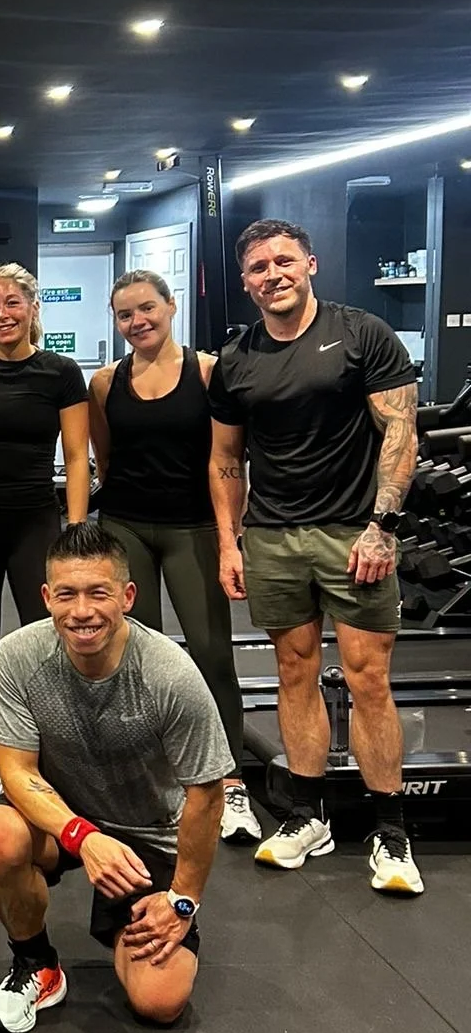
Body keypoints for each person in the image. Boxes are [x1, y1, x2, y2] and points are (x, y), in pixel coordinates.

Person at [209, 219, 422, 895]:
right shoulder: (237, 358)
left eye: (284, 261)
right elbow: (225, 459)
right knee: (293, 671)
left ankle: (390, 829)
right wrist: (229, 542)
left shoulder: (361, 334)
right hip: (273, 536)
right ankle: (307, 815)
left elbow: (400, 431)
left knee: (368, 677)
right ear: (245, 282)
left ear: (310, 264)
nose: (272, 274)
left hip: (352, 532)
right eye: (258, 267)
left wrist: (382, 526)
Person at [0, 521, 231, 1033]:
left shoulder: (169, 674)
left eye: (99, 593)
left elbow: (206, 795)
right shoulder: (17, 657)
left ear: (128, 597)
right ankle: (37, 965)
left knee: (159, 1002)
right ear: (46, 597)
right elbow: (16, 773)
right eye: (67, 594)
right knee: (0, 833)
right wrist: (83, 837)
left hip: (149, 834)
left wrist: (182, 901)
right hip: (64, 821)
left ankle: (131, 920)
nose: (82, 611)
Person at [88, 269, 254, 841]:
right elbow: (104, 459)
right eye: (125, 314)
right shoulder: (105, 382)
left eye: (147, 309)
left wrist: (230, 537)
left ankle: (231, 782)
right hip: (126, 524)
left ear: (171, 306)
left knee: (211, 653)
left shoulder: (207, 371)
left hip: (194, 527)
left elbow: (228, 459)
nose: (137, 322)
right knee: (138, 656)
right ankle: (155, 778)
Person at [0, 263, 90, 811]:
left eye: (12, 303)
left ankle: (43, 759)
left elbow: (77, 455)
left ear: (32, 308)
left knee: (45, 638)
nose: (2, 314)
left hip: (34, 520)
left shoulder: (61, 373)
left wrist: (76, 529)